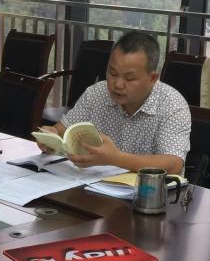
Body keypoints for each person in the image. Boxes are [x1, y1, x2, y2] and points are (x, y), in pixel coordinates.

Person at [37, 30, 191, 173]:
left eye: (129, 78)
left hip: (149, 191)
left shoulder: (173, 105)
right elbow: (63, 129)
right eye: (113, 73)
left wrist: (116, 159)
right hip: (96, 185)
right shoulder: (97, 93)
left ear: (152, 78)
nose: (118, 84)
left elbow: (174, 163)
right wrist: (51, 136)